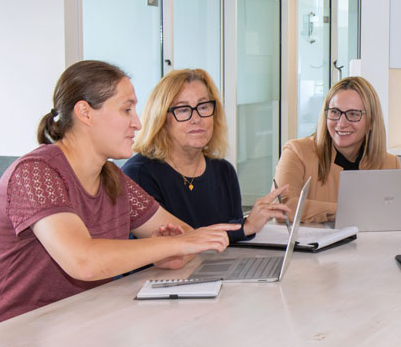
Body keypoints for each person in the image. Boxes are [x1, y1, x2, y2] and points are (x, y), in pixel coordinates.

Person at [0, 61, 237, 328]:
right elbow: (84, 261)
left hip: (80, 328)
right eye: (126, 110)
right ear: (85, 113)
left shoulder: (113, 178)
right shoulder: (35, 173)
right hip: (11, 339)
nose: (137, 123)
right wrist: (171, 246)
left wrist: (166, 250)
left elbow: (185, 238)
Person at [123, 68, 290, 243]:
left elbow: (234, 244)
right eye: (183, 110)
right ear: (161, 119)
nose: (196, 118)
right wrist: (245, 227)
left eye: (203, 107)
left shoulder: (223, 171)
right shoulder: (139, 174)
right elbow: (170, 244)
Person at [274, 76, 401, 223]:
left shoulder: (390, 163)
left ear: (371, 122)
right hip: (314, 245)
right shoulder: (297, 152)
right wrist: (347, 210)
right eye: (335, 112)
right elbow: (281, 206)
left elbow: (395, 216)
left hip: (370, 245)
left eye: (353, 114)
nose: (341, 124)